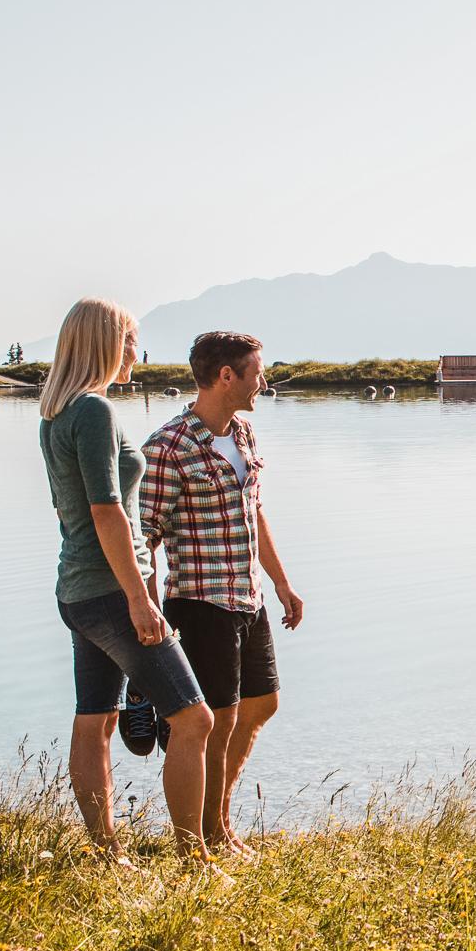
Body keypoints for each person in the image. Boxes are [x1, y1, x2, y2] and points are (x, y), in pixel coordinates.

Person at [37, 298, 215, 858]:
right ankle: (193, 856)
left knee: (95, 720)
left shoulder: (56, 413)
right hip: (113, 592)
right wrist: (139, 599)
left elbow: (76, 511)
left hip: (79, 590)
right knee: (194, 719)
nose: (137, 353)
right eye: (132, 341)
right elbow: (106, 510)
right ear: (108, 344)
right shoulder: (93, 411)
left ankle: (107, 853)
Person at [138, 331, 303, 856]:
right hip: (199, 602)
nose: (264, 383)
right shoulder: (167, 447)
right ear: (227, 376)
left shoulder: (245, 433)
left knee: (262, 704)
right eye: (257, 372)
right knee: (218, 719)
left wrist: (280, 581)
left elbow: (255, 511)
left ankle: (221, 822)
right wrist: (147, 610)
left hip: (248, 596)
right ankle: (201, 838)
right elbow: (144, 538)